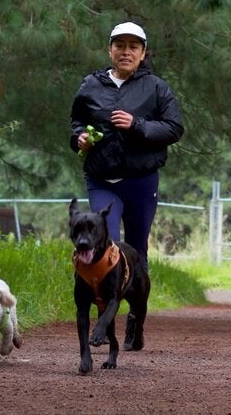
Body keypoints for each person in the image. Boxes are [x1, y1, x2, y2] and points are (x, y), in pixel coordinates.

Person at [70, 21, 184, 273]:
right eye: (119, 45)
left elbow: (174, 128)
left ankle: (137, 304)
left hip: (141, 180)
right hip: (101, 179)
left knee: (136, 246)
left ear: (143, 53)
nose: (126, 52)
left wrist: (137, 125)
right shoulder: (91, 85)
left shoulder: (156, 87)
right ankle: (106, 302)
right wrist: (79, 137)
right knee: (104, 241)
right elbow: (77, 121)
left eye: (133, 46)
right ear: (110, 50)